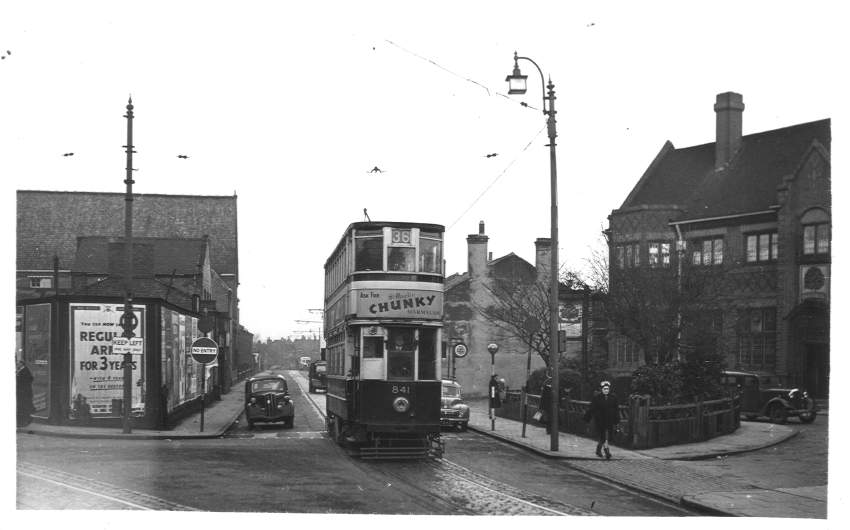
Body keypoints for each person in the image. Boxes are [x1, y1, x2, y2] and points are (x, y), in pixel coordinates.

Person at [584, 380, 619, 459]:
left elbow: (616, 410)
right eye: (604, 389)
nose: (606, 390)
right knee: (603, 437)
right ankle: (607, 452)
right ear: (601, 389)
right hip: (600, 421)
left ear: (609, 389)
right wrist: (587, 418)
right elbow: (591, 408)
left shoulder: (613, 398)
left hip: (610, 421)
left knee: (607, 437)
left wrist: (617, 421)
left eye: (607, 389)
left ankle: (598, 450)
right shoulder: (597, 398)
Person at [16, 359, 34, 427]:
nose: (17, 365)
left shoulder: (24, 371)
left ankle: (24, 421)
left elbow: (30, 379)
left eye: (18, 363)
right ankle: (24, 421)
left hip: (24, 393)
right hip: (24, 393)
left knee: (24, 408)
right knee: (24, 407)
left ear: (21, 364)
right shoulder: (22, 370)